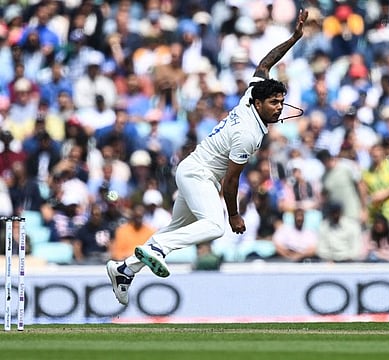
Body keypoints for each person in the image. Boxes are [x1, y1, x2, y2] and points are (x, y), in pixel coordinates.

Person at [106, 9, 310, 305]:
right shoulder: (249, 134)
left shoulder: (249, 95)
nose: (279, 107)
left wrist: (294, 37)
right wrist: (235, 215)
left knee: (178, 228)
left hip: (193, 171)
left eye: (281, 101)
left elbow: (265, 63)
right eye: (273, 102)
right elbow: (230, 181)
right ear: (258, 103)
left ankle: (124, 270)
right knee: (214, 226)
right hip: (199, 175)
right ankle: (158, 248)